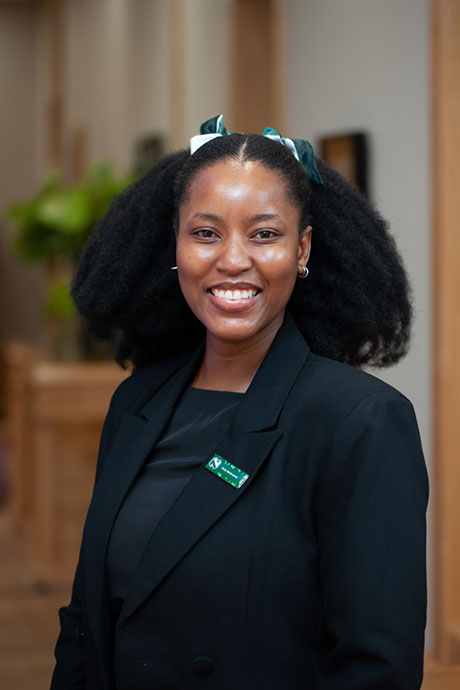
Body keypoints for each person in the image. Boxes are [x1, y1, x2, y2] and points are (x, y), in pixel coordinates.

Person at [51, 115, 428, 690]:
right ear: (175, 245)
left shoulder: (360, 423)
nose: (231, 259)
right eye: (205, 233)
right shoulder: (136, 401)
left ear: (302, 249)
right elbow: (86, 623)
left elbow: (377, 668)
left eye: (264, 234)